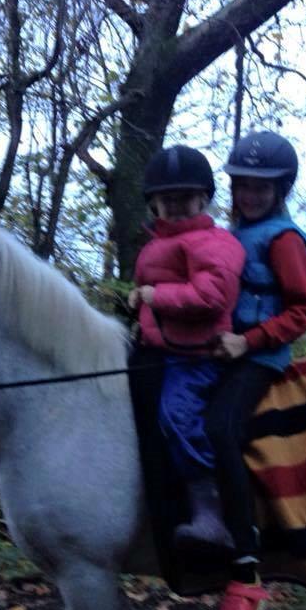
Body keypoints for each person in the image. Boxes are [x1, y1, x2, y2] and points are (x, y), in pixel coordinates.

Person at [206, 130, 306, 610]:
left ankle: (247, 570)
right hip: (218, 348)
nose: (249, 194)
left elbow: (302, 312)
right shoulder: (231, 233)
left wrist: (248, 342)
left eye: (260, 186)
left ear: (281, 189)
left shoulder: (285, 240)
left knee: (221, 428)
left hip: (259, 357)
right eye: (242, 184)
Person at [128, 144, 247, 558]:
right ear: (154, 205)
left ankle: (210, 514)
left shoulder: (214, 242)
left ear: (203, 200)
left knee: (177, 415)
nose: (175, 207)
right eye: (167, 200)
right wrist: (140, 303)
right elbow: (155, 294)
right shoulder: (155, 244)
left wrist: (152, 295)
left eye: (185, 198)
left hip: (197, 356)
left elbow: (212, 296)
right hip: (163, 349)